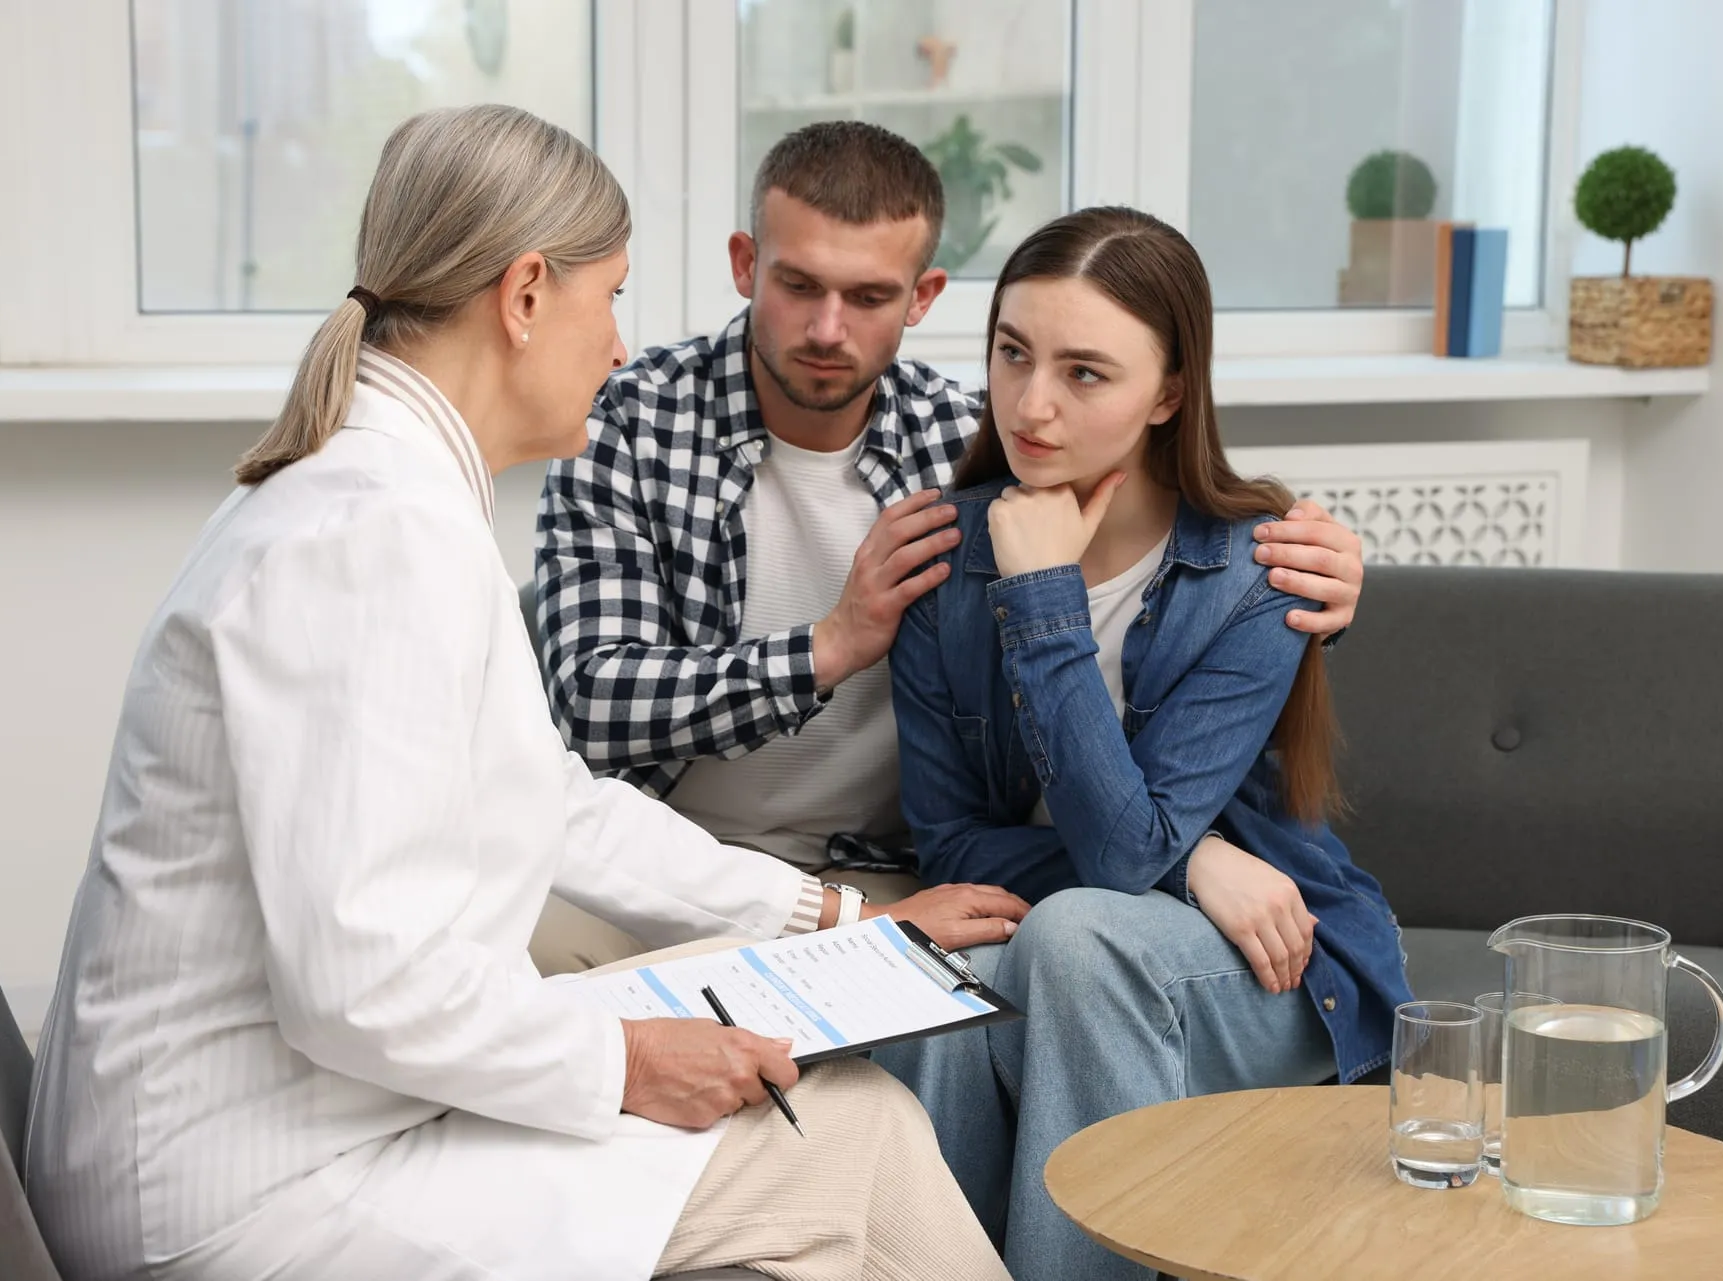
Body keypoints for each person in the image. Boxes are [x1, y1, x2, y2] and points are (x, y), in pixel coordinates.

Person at [24, 105, 1022, 1281]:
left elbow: (552, 805)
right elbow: (365, 986)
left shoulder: (385, 497)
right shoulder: (371, 536)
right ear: (528, 295)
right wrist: (625, 1062)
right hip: (239, 1187)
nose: (619, 346)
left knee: (824, 1107)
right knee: (853, 1143)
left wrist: (841, 923)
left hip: (295, 1118)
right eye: (612, 298)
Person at [534, 122, 1367, 971]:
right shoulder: (630, 422)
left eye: (869, 297)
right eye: (798, 285)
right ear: (746, 264)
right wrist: (827, 648)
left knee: (966, 995)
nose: (827, 328)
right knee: (531, 968)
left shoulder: (972, 437)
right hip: (664, 859)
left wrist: (1313, 592)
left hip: (889, 874)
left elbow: (1163, 550)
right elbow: (591, 699)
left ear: (923, 296)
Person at [870, 207, 1414, 1281]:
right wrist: (1197, 857)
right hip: (1090, 926)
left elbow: (1122, 859)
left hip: (1268, 966)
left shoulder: (1256, 573)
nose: (1031, 404)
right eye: (1013, 353)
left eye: (1085, 373)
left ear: (1168, 393)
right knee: (942, 971)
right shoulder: (946, 561)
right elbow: (953, 849)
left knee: (1077, 938)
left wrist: (1042, 596)